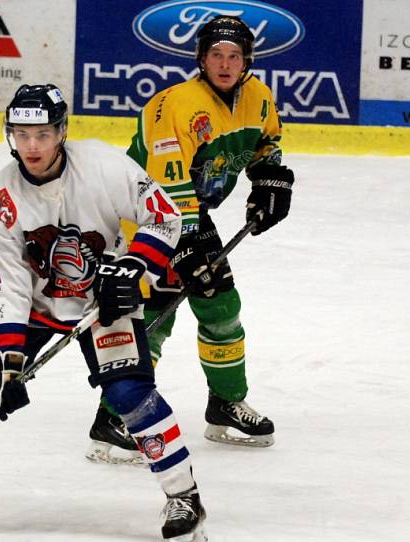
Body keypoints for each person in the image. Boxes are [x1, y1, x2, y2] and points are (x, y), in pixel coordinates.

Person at [0, 84, 206, 542]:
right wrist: (7, 357)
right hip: (32, 307)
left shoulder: (105, 167)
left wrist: (133, 266)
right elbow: (5, 284)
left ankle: (183, 496)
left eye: (43, 134)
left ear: (62, 132)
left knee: (130, 394)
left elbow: (163, 215)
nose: (31, 146)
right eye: (21, 134)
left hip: (103, 300)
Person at [86, 15, 294, 460]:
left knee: (220, 304)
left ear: (247, 61)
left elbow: (266, 143)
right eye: (216, 55)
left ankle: (224, 402)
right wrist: (187, 247)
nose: (224, 63)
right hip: (143, 218)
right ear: (201, 58)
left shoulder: (258, 98)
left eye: (234, 56)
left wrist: (270, 180)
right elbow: (166, 191)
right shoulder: (173, 105)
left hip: (191, 214)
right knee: (155, 313)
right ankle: (114, 417)